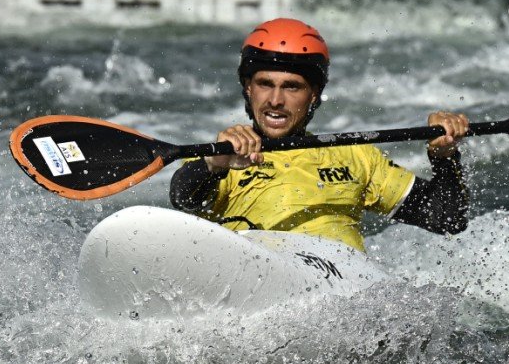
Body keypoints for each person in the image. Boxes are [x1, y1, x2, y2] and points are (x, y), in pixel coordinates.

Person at [169, 19, 471, 251]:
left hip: (343, 294)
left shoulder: (355, 155)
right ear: (248, 88)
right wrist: (213, 165)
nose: (275, 100)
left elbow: (447, 217)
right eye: (265, 84)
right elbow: (183, 199)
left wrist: (444, 156)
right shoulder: (223, 156)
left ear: (313, 95)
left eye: (292, 87)